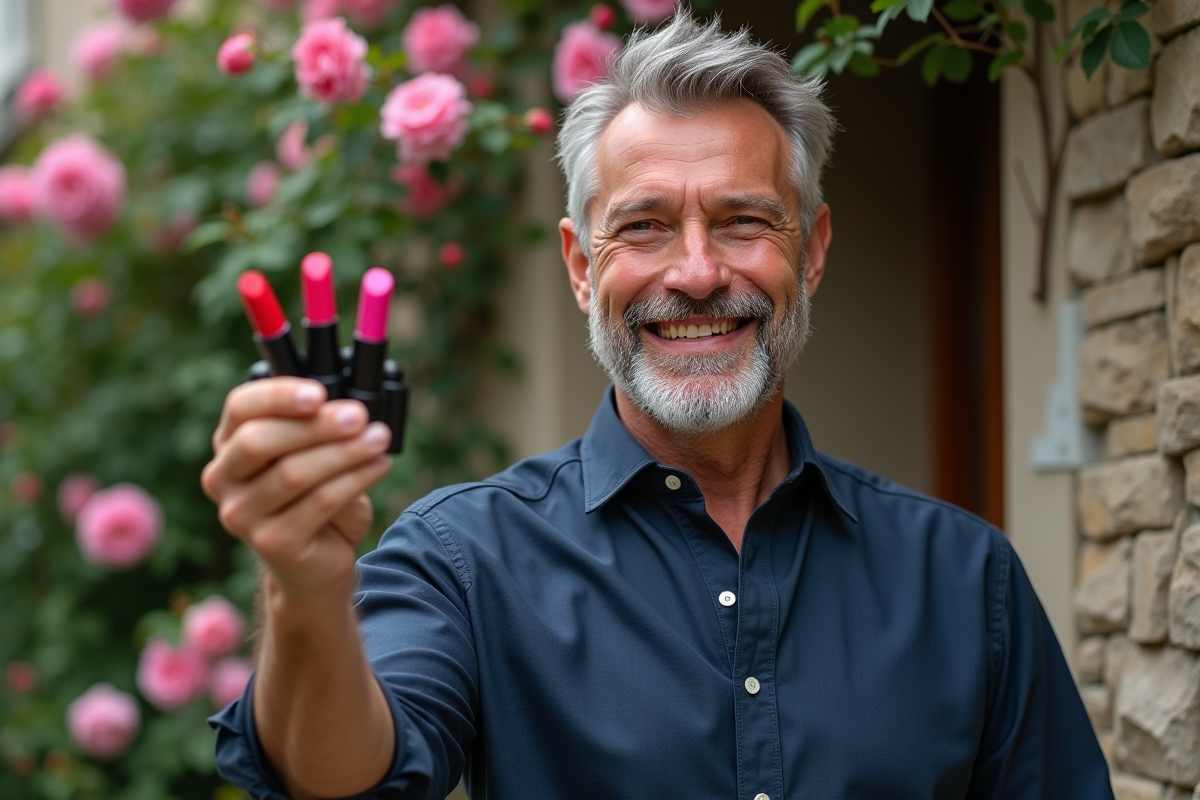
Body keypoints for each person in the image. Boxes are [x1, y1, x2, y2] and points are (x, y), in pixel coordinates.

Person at [202, 12, 1114, 800]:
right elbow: (344, 778)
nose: (696, 272)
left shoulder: (964, 579)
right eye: (642, 227)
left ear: (815, 249)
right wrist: (307, 592)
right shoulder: (466, 561)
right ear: (578, 264)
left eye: (743, 221)